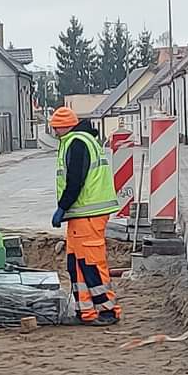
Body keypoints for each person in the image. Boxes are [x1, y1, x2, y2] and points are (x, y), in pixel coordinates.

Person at [49, 107, 121, 326]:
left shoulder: (77, 143)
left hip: (88, 214)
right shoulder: (78, 141)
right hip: (81, 215)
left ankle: (108, 310)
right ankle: (86, 311)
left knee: (91, 264)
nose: (54, 132)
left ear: (63, 127)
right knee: (77, 264)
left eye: (55, 128)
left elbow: (75, 181)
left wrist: (62, 207)